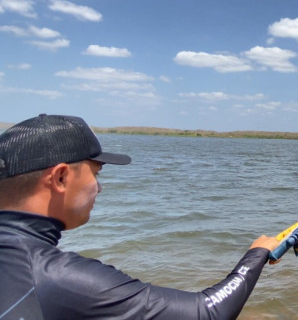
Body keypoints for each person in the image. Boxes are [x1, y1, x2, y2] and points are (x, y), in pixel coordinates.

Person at [0, 114, 279, 319]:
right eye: (96, 174)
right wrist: (256, 255)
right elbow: (207, 312)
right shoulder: (58, 278)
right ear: (61, 177)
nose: (99, 187)